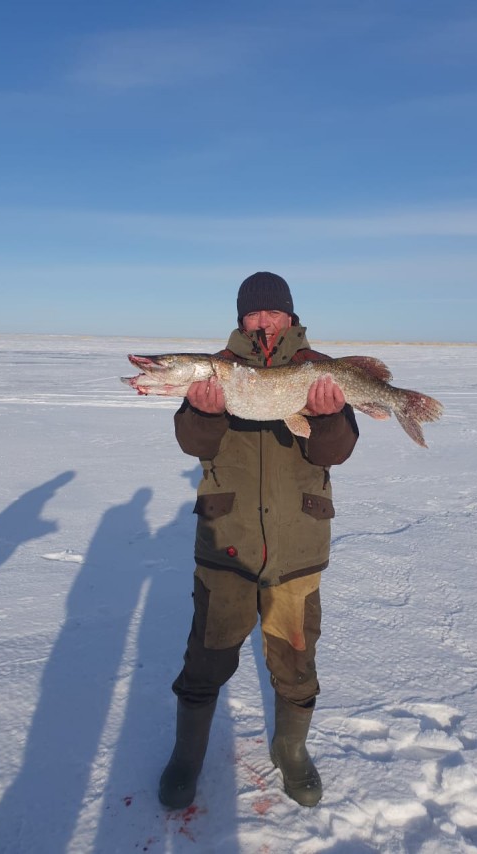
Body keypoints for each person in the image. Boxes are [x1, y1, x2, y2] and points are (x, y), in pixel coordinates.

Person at [159, 272, 359, 810]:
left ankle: (291, 752)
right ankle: (187, 756)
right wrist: (203, 410)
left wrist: (330, 416)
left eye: (274, 312)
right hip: (229, 542)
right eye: (254, 313)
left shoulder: (319, 369)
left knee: (296, 659)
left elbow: (333, 453)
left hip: (297, 544)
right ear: (241, 319)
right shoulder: (218, 371)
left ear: (290, 317)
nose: (265, 321)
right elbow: (191, 442)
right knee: (207, 656)